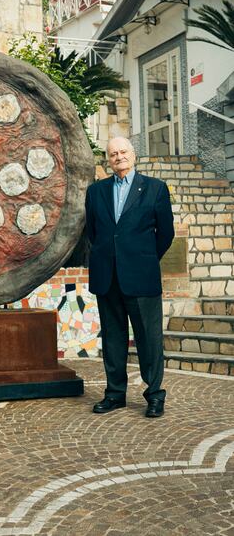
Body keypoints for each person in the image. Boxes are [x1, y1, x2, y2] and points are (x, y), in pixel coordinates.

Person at [85, 136, 174, 418]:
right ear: (107, 160)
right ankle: (115, 394)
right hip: (107, 276)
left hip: (141, 276)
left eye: (123, 151)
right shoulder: (96, 191)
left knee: (149, 339)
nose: (119, 157)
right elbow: (94, 232)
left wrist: (144, 259)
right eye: (113, 153)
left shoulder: (155, 189)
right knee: (113, 338)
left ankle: (154, 395)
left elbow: (166, 233)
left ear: (133, 155)